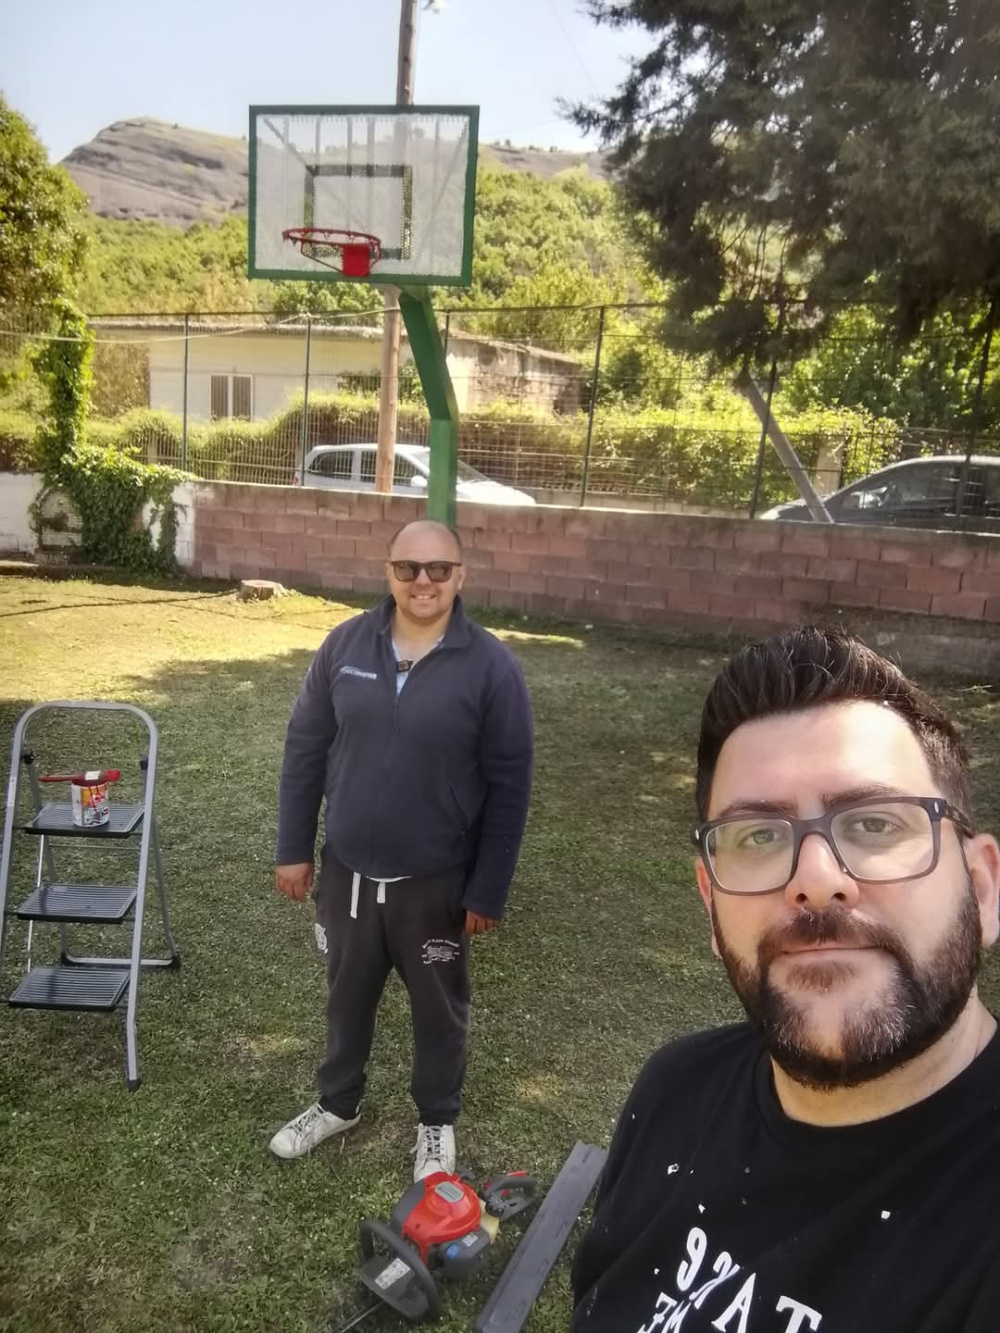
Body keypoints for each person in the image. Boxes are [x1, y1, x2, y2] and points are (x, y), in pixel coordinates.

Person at [572, 626, 1000, 1333]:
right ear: (711, 906)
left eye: (875, 823)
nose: (817, 880)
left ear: (981, 889)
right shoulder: (674, 1091)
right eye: (758, 837)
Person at [269, 519, 533, 1180]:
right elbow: (304, 747)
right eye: (408, 567)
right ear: (388, 571)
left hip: (434, 884)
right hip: (348, 874)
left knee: (439, 1010)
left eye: (438, 569)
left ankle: (436, 1122)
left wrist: (488, 888)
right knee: (345, 996)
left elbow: (510, 784)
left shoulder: (491, 666)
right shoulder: (345, 644)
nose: (423, 581)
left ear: (460, 576)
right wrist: (293, 846)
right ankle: (338, 1102)